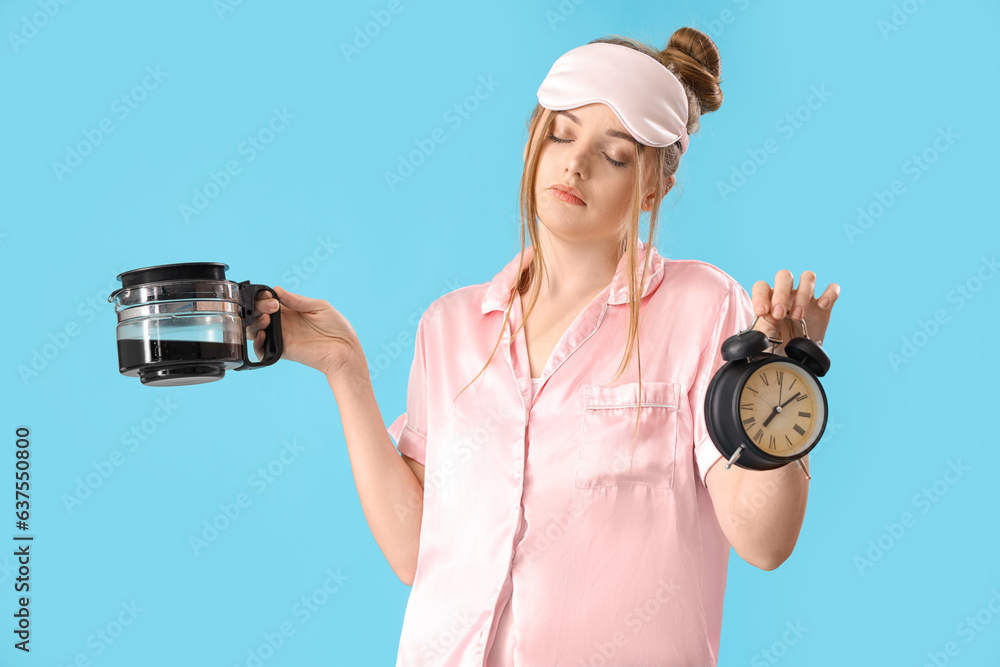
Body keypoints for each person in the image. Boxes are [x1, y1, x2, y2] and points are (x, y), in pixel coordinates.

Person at [246, 26, 840, 667]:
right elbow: (416, 551)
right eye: (560, 134)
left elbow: (764, 541)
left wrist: (779, 384)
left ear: (653, 189)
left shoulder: (703, 307)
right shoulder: (449, 327)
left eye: (614, 155)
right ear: (533, 138)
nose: (574, 163)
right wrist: (344, 368)